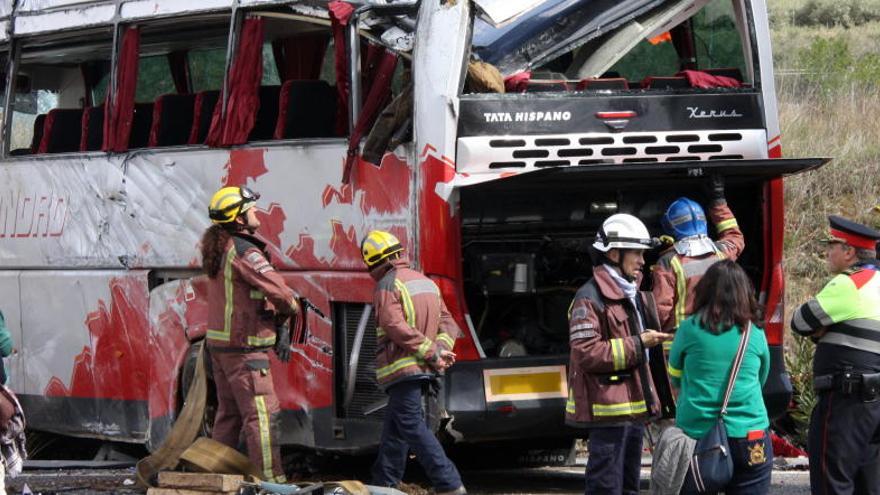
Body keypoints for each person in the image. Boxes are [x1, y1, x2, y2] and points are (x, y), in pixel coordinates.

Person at [566, 213, 673, 495]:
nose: (641, 261)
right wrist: (639, 343)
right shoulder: (588, 298)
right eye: (636, 253)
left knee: (628, 487)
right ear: (614, 253)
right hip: (609, 411)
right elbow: (586, 352)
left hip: (633, 410)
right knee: (606, 486)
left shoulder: (631, 293)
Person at [201, 185, 301, 483]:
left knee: (228, 417)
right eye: (251, 209)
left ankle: (216, 479)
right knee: (262, 418)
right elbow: (281, 293)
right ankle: (273, 483)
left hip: (221, 348)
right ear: (239, 218)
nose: (257, 212)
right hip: (246, 350)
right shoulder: (244, 251)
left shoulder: (219, 247)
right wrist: (287, 314)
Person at [360, 230, 465, 495]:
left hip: (403, 368)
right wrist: (440, 350)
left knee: (410, 425)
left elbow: (393, 324)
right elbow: (449, 324)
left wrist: (431, 352)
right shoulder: (426, 282)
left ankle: (449, 482)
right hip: (423, 368)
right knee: (394, 430)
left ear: (374, 262)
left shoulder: (387, 284)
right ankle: (383, 483)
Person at [791, 215, 880, 495]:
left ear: (849, 252)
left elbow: (800, 321)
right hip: (874, 401)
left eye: (833, 246)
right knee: (870, 483)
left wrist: (824, 330)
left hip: (844, 399)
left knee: (833, 481)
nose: (827, 253)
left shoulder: (849, 284)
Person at [667, 260, 772, 494]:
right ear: (745, 292)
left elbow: (674, 376)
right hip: (750, 435)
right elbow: (761, 377)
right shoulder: (754, 333)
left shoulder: (689, 329)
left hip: (698, 435)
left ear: (704, 290)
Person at [652, 176, 745, 341]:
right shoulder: (721, 253)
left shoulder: (668, 262)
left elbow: (660, 311)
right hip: (718, 339)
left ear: (669, 227)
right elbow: (734, 236)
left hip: (679, 347)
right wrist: (718, 200)